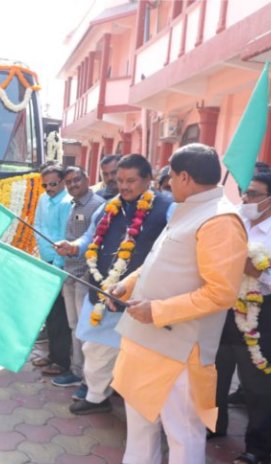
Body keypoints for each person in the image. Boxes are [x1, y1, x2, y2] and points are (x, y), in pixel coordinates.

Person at [99, 143, 247, 464]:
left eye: (170, 176)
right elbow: (156, 260)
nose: (167, 182)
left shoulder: (220, 220)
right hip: (147, 332)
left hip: (182, 341)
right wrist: (129, 285)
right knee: (138, 399)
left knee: (182, 424)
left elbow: (221, 292)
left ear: (184, 177)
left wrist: (159, 310)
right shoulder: (186, 211)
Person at [57, 154, 173, 415]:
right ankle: (98, 398)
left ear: (148, 179)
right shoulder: (109, 206)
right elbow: (90, 237)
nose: (123, 186)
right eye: (119, 180)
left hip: (142, 297)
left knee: (142, 354)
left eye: (131, 180)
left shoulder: (167, 207)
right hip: (102, 293)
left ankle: (143, 404)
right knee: (96, 348)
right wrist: (73, 247)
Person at [213, 173, 271, 464]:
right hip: (224, 303)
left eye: (253, 194)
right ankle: (214, 424)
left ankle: (258, 448)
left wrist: (259, 272)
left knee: (256, 383)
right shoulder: (236, 221)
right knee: (217, 370)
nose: (245, 199)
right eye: (245, 192)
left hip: (257, 310)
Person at [50, 167, 104, 393]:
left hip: (85, 277)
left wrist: (74, 251)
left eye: (76, 180)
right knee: (74, 327)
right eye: (69, 182)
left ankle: (87, 380)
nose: (73, 185)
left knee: (85, 331)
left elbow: (91, 240)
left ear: (87, 179)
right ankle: (75, 371)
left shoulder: (98, 206)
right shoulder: (73, 205)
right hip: (69, 274)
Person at [31, 164, 73, 376]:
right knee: (49, 312)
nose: (49, 188)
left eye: (53, 184)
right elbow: (37, 225)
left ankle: (62, 360)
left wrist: (56, 265)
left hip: (59, 265)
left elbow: (64, 235)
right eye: (45, 184)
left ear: (63, 181)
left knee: (59, 316)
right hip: (45, 261)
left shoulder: (67, 203)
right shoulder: (43, 199)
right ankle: (52, 355)